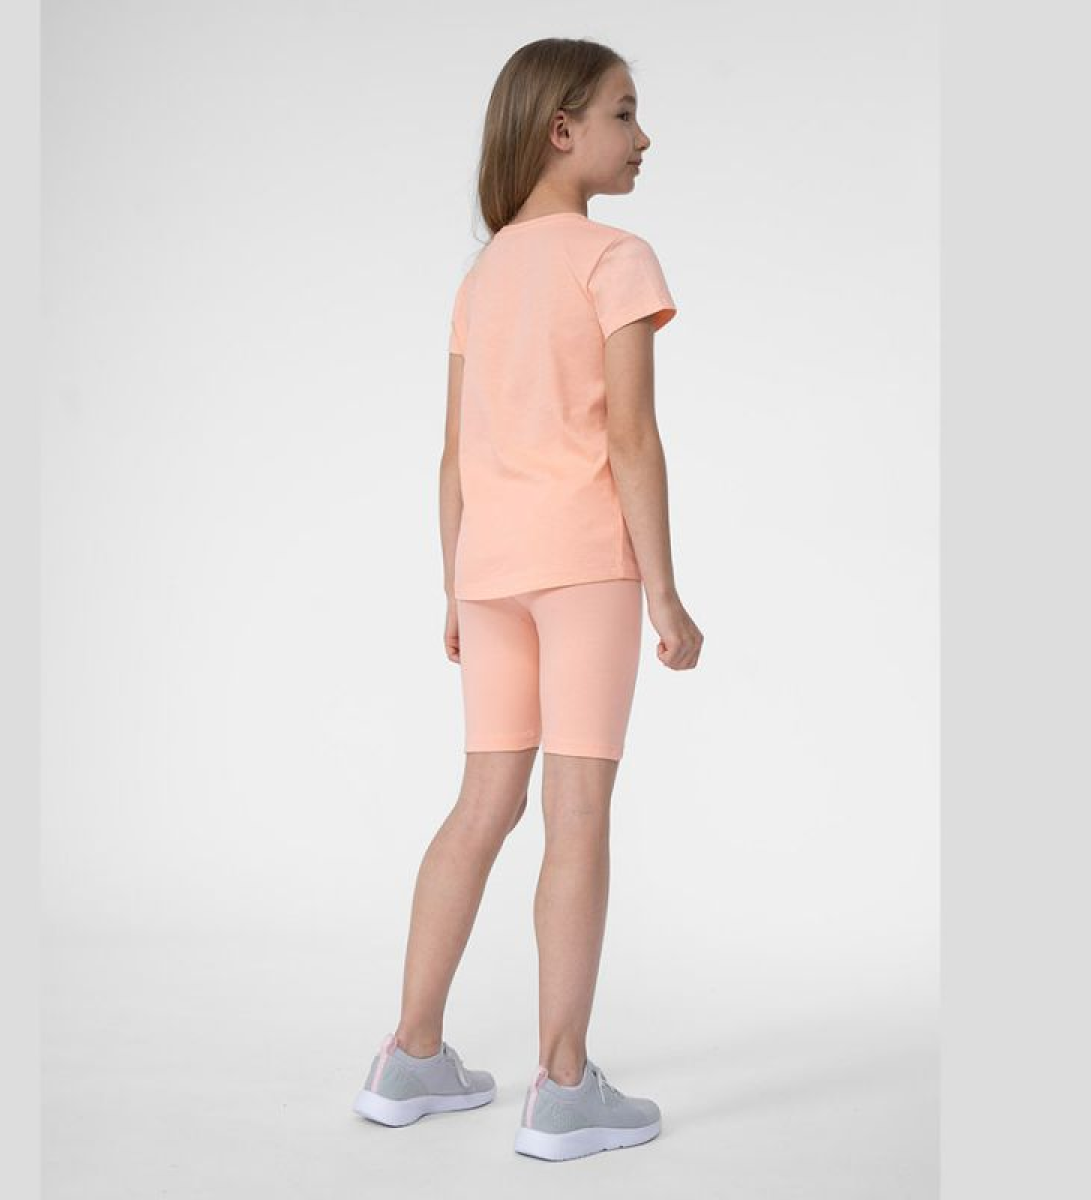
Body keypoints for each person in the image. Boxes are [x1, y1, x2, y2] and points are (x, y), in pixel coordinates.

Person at [352, 37, 704, 1161]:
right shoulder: (618, 258)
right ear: (563, 129)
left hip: (492, 569)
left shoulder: (484, 275)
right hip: (584, 564)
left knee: (482, 803)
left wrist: (455, 585)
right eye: (623, 112)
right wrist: (665, 592)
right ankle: (562, 1085)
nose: (642, 137)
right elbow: (632, 439)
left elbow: (453, 454)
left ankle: (410, 1055)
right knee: (577, 811)